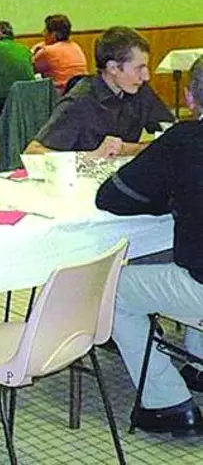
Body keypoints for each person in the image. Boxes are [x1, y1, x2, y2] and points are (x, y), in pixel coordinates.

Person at [94, 58, 203, 437]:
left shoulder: (185, 139)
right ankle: (199, 364)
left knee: (110, 289)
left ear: (190, 98)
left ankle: (168, 401)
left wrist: (168, 198)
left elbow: (111, 197)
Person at [25, 27, 173, 158]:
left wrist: (127, 149)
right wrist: (91, 156)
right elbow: (33, 152)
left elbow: (171, 135)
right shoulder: (79, 101)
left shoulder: (140, 90)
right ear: (113, 68)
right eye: (139, 68)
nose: (146, 76)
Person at [32, 14, 88, 94]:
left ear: (53, 34)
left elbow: (30, 69)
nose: (42, 33)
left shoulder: (47, 51)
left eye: (45, 30)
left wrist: (34, 50)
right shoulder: (76, 46)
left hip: (59, 96)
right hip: (81, 92)